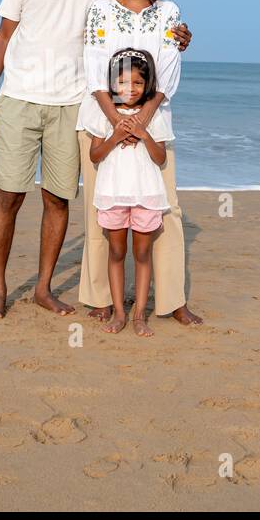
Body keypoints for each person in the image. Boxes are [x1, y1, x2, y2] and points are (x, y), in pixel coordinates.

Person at [0, 0, 192, 318]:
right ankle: (0, 288)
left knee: (59, 199)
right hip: (24, 97)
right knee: (10, 196)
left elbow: (145, 20)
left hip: (72, 104)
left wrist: (181, 34)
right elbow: (3, 36)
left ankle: (45, 288)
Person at [76, 0, 202, 325]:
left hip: (155, 124)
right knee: (100, 209)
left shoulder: (168, 13)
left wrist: (142, 118)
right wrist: (117, 120)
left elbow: (168, 67)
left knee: (167, 210)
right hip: (100, 121)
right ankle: (101, 299)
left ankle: (171, 300)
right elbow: (94, 65)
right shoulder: (100, 9)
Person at [84, 49, 173, 336]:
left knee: (143, 253)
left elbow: (161, 159)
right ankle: (119, 312)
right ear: (112, 84)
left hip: (146, 194)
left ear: (146, 85)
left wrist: (144, 134)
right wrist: (116, 136)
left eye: (137, 83)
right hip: (113, 194)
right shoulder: (103, 114)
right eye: (123, 83)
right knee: (117, 251)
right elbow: (95, 155)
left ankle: (139, 316)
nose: (130, 89)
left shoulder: (154, 116)